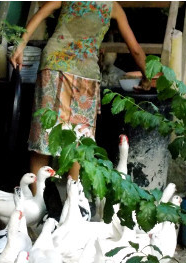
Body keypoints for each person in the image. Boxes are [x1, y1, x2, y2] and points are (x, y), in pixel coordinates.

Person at [10, 1, 150, 183]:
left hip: (54, 65)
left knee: (43, 135)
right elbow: (136, 51)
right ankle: (72, 199)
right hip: (86, 73)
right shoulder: (113, 7)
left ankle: (39, 202)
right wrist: (147, 76)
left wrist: (20, 46)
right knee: (79, 137)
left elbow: (41, 13)